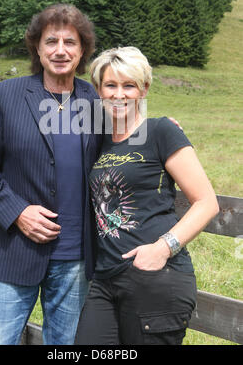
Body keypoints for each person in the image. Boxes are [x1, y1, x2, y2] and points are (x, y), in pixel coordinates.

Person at [0, 3, 103, 345]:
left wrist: (160, 130)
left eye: (69, 42)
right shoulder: (4, 96)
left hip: (76, 259)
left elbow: (125, 142)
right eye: (51, 41)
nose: (60, 50)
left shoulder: (95, 100)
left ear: (82, 49)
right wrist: (17, 212)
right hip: (13, 251)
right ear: (37, 48)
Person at [75, 47, 219, 345]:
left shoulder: (160, 131)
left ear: (144, 89)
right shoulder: (98, 140)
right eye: (110, 86)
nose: (119, 94)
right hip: (104, 279)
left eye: (129, 85)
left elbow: (206, 202)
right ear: (99, 90)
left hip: (155, 276)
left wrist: (163, 249)